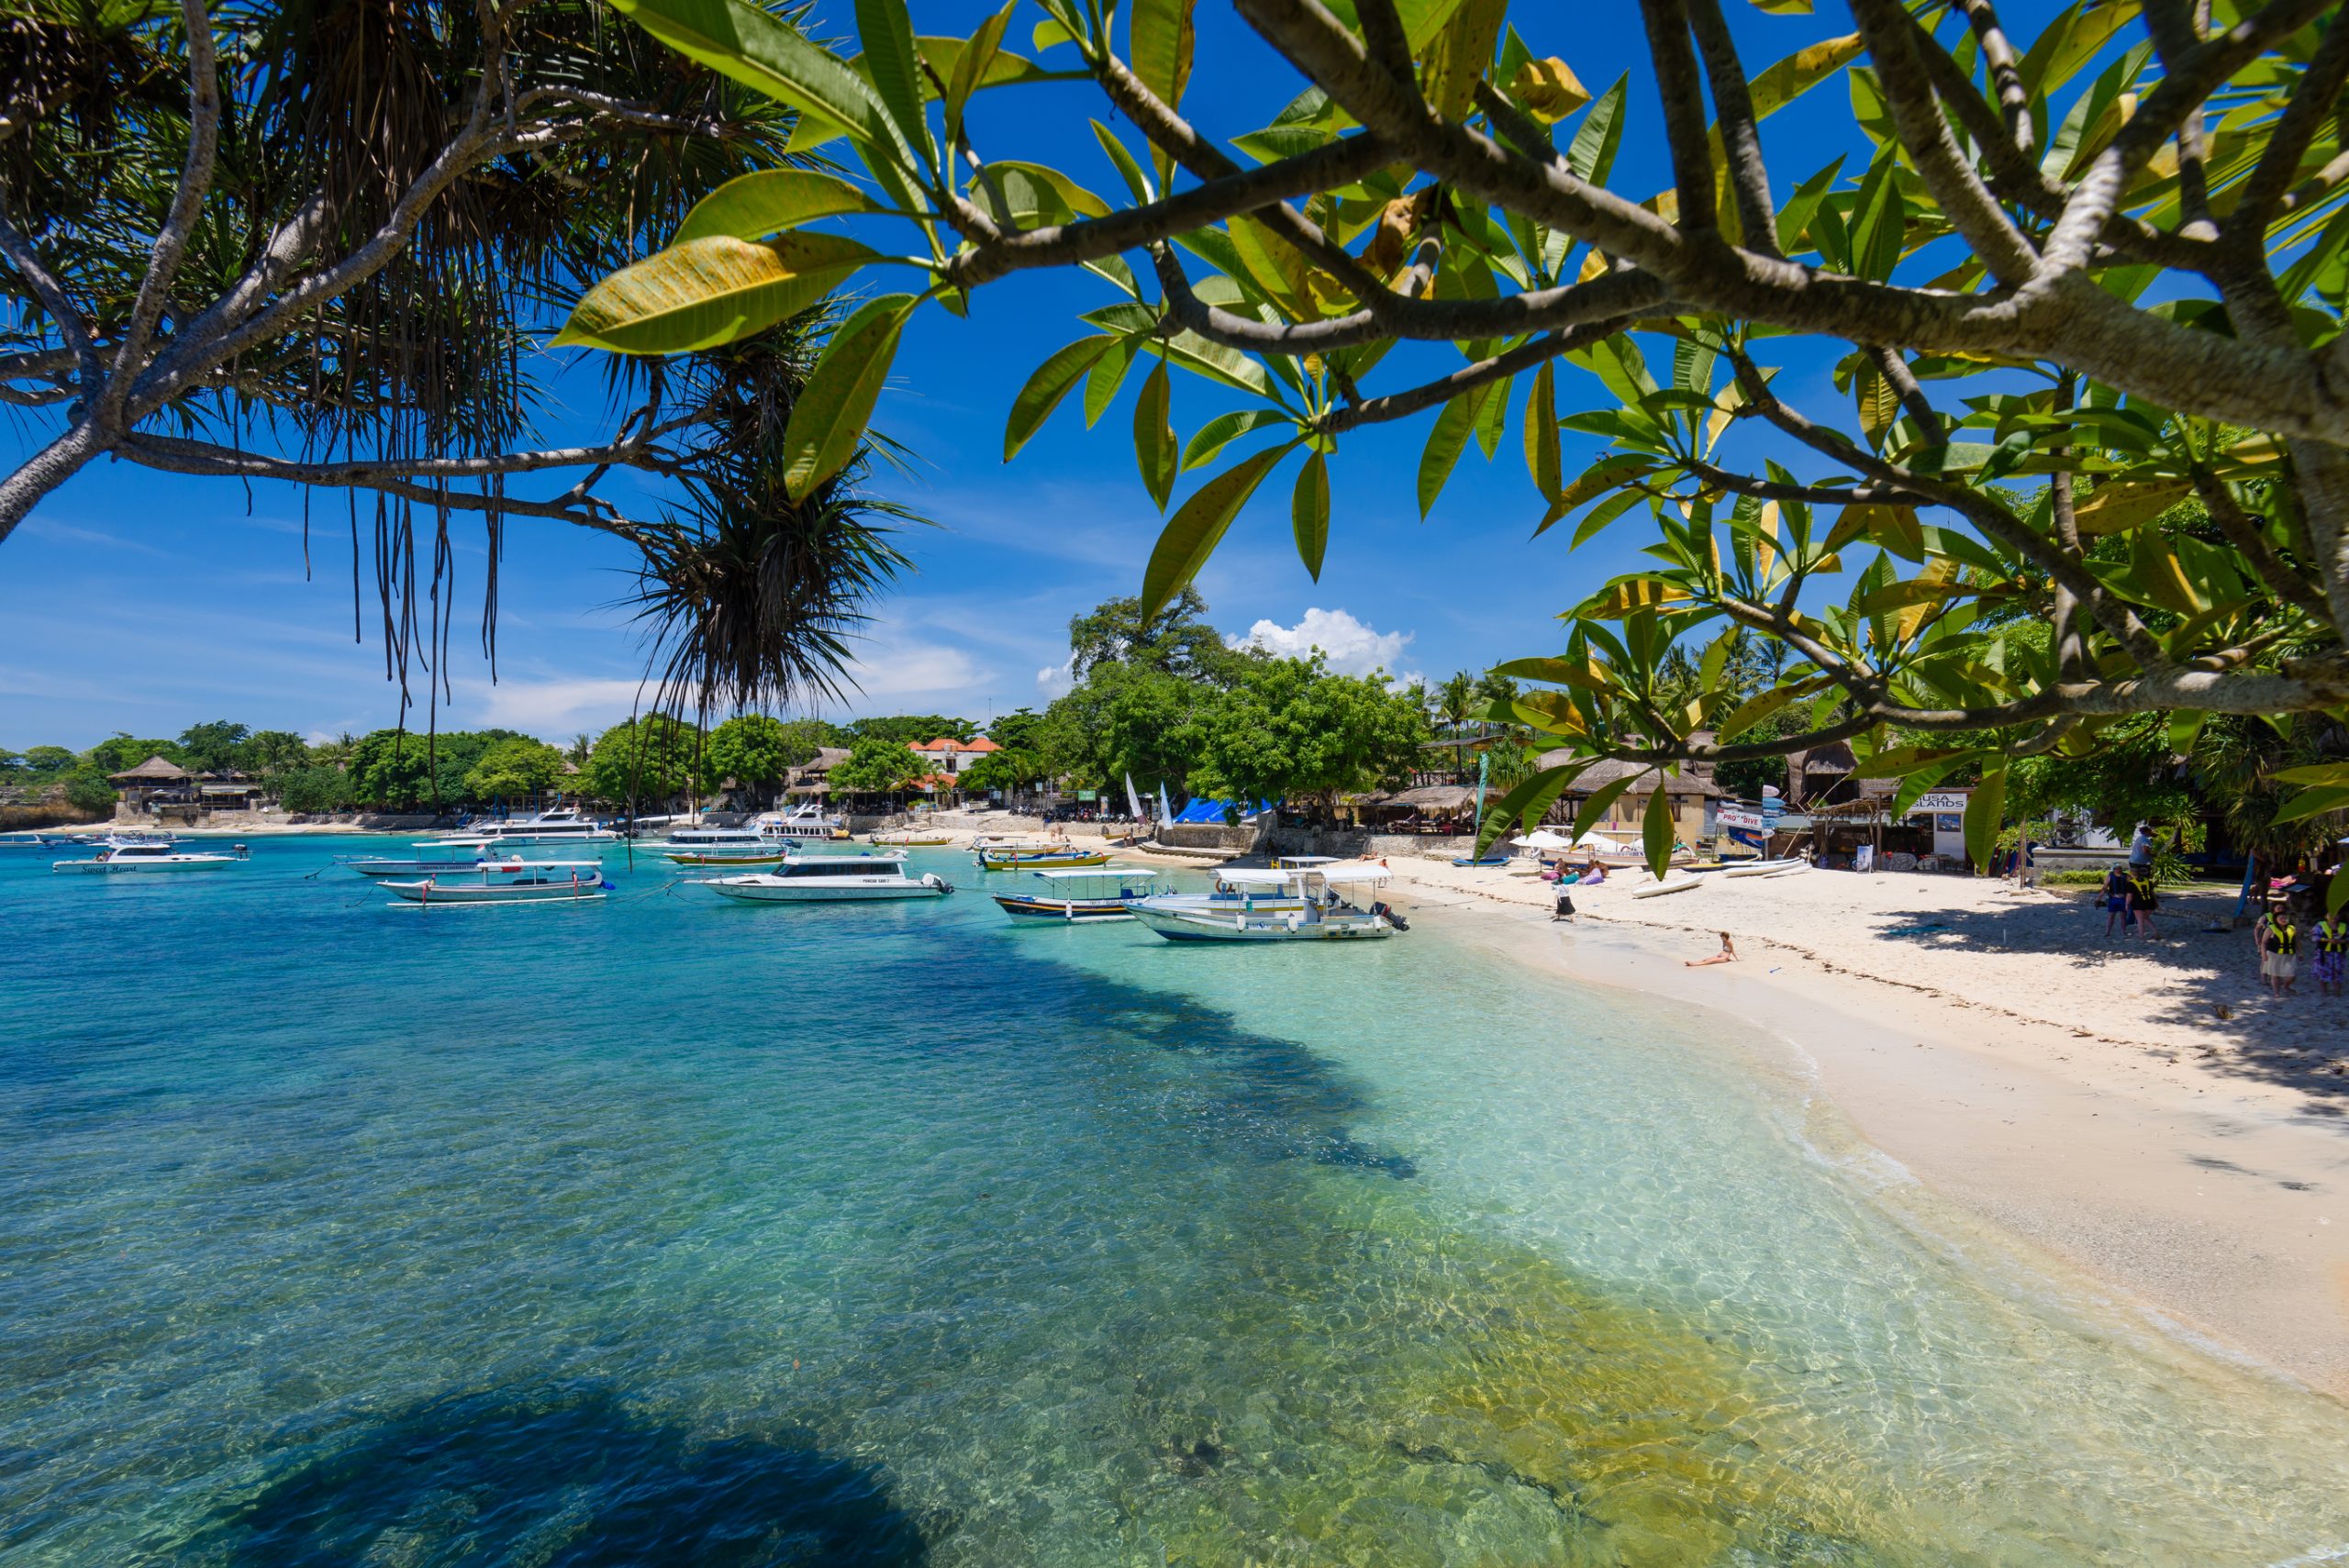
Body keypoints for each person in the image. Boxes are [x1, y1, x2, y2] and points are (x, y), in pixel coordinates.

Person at [2269, 907, 2301, 997]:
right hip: (2275, 954)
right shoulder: (2271, 928)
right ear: (2276, 920)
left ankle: (2286, 986)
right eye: (2281, 918)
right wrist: (2263, 953)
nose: (2284, 920)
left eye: (2285, 918)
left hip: (2289, 954)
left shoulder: (2292, 928)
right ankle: (2276, 992)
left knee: (2292, 975)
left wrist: (2300, 952)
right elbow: (2264, 942)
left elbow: (2297, 941)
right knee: (2275, 974)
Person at [2318, 912, 2348, 997]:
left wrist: (2342, 941)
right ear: (2326, 916)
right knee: (2324, 971)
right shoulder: (2320, 925)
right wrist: (2327, 940)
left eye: (2336, 914)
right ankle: (2324, 991)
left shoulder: (2344, 926)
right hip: (2324, 953)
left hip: (2339, 953)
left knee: (2338, 971)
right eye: (2330, 914)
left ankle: (2337, 991)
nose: (2333, 917)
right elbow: (2314, 937)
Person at [2126, 865, 2159, 940]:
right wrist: (2156, 902)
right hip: (2150, 902)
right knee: (2146, 918)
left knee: (2140, 920)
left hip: (2138, 903)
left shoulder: (2131, 883)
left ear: (2131, 874)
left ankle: (2141, 935)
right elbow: (2153, 893)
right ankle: (2156, 932)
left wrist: (2127, 904)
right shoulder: (2147, 881)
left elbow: (2129, 896)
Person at [2103, 864, 2132, 939]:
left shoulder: (2126, 876)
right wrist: (2102, 895)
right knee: (2111, 916)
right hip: (2113, 898)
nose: (2118, 870)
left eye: (2119, 868)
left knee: (2123, 916)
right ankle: (2107, 932)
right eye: (2116, 868)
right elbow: (2105, 887)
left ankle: (2123, 931)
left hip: (2123, 898)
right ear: (2114, 869)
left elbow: (2132, 886)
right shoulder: (2110, 876)